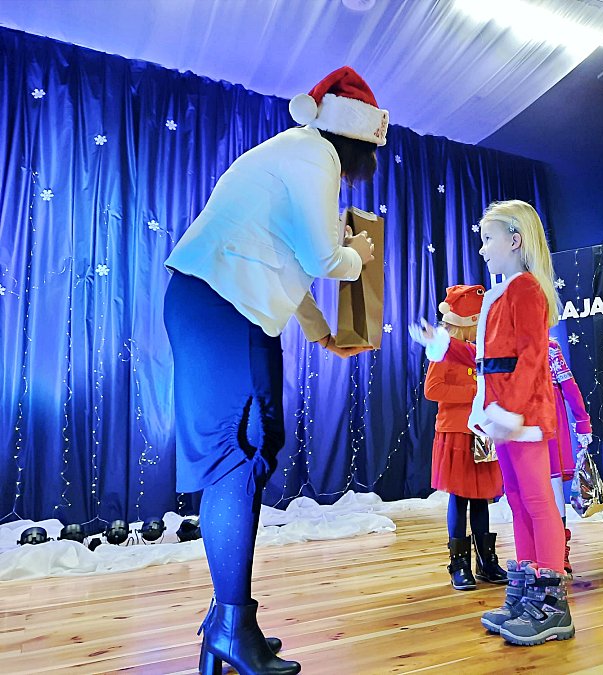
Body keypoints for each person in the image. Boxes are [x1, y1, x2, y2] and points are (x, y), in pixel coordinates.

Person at [163, 66, 388, 675]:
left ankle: (227, 623)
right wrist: (356, 255)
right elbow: (321, 257)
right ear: (357, 137)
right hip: (222, 306)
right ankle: (231, 628)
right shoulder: (315, 155)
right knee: (236, 457)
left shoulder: (293, 153)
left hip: (224, 306)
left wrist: (322, 334)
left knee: (257, 448)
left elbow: (289, 259)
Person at [409, 200, 574, 646]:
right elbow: (486, 359)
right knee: (518, 502)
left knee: (538, 502)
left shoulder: (526, 290)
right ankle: (526, 594)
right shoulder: (501, 295)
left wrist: (510, 411)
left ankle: (551, 604)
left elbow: (532, 358)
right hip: (505, 418)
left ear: (515, 240)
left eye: (488, 239)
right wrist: (442, 343)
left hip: (521, 417)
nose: (481, 249)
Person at [425, 284, 506, 590]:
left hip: (481, 434)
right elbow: (432, 389)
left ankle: (486, 561)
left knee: (482, 497)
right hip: (456, 433)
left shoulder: (479, 351)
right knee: (459, 498)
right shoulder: (444, 352)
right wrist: (474, 392)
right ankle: (458, 564)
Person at [547, 336, 592, 576]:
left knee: (553, 489)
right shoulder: (507, 345)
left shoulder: (550, 348)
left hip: (550, 429)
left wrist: (583, 422)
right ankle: (535, 553)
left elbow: (570, 388)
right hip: (520, 429)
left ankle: (558, 551)